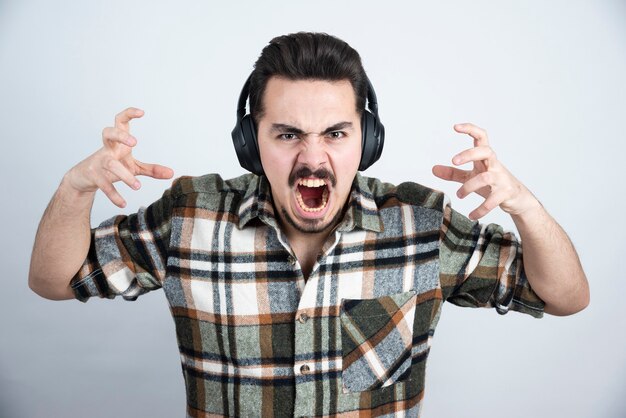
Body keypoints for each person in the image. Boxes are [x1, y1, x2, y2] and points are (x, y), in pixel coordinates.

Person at [29, 32, 589, 417]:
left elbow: (564, 296)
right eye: (288, 134)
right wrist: (74, 188)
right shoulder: (189, 218)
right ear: (252, 142)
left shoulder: (421, 225)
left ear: (366, 141)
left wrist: (525, 206)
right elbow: (55, 280)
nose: (313, 158)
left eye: (336, 134)